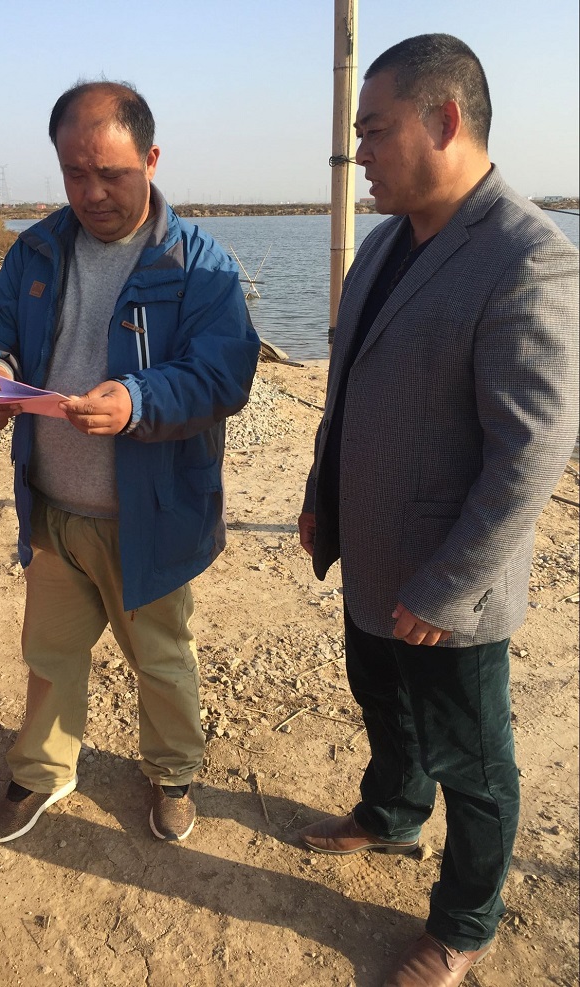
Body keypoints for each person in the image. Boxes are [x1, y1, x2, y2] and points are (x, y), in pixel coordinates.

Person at [297, 34, 578, 987]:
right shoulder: (383, 242)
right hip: (371, 556)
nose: (357, 153)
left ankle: (463, 922)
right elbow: (346, 390)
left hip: (448, 585)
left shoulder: (526, 257)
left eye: (373, 131)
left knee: (474, 762)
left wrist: (449, 586)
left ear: (444, 120)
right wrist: (321, 497)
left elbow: (528, 453)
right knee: (382, 705)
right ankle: (390, 814)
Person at [0, 81, 259, 846]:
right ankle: (42, 770)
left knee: (161, 658)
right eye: (74, 173)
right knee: (49, 654)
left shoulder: (197, 264)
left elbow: (224, 376)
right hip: (53, 507)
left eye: (112, 174)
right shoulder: (37, 248)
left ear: (151, 160)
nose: (91, 193)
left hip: (151, 516)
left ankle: (173, 771)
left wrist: (137, 399)